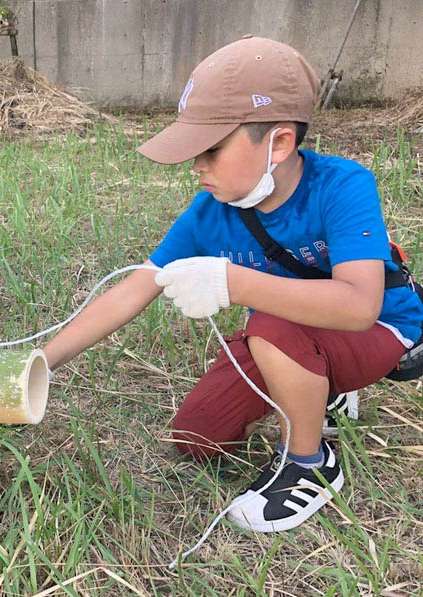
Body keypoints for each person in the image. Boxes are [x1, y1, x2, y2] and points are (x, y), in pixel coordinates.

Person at [43, 35, 423, 532]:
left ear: (279, 142)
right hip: (286, 337)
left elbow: (358, 306)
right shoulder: (208, 215)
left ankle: (309, 463)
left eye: (211, 150)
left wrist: (231, 281)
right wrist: (40, 364)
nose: (197, 167)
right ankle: (318, 387)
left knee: (269, 322)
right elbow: (131, 291)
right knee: (197, 436)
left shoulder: (342, 185)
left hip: (378, 329)